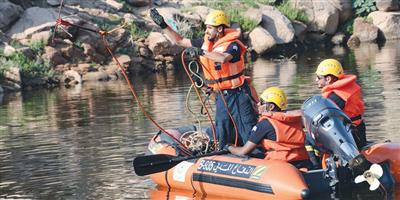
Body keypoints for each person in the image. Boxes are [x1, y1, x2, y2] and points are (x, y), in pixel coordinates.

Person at [150, 8, 258, 149]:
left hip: (238, 94)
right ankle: (224, 154)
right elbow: (180, 41)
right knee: (222, 130)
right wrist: (163, 25)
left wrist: (201, 52)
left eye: (209, 28)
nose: (206, 31)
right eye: (206, 28)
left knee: (246, 128)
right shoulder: (206, 43)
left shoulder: (233, 45)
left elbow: (223, 58)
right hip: (222, 96)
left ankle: (255, 155)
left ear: (219, 29)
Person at [227, 87, 312, 169]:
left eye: (261, 102)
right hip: (304, 162)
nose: (258, 104)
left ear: (271, 107)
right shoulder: (297, 121)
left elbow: (243, 151)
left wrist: (229, 147)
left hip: (282, 167)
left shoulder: (264, 125)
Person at [315, 58, 366, 149]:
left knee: (309, 139)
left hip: (349, 134)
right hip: (357, 130)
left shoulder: (337, 96)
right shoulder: (345, 89)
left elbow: (322, 115)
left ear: (328, 79)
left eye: (318, 77)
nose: (316, 80)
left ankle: (314, 163)